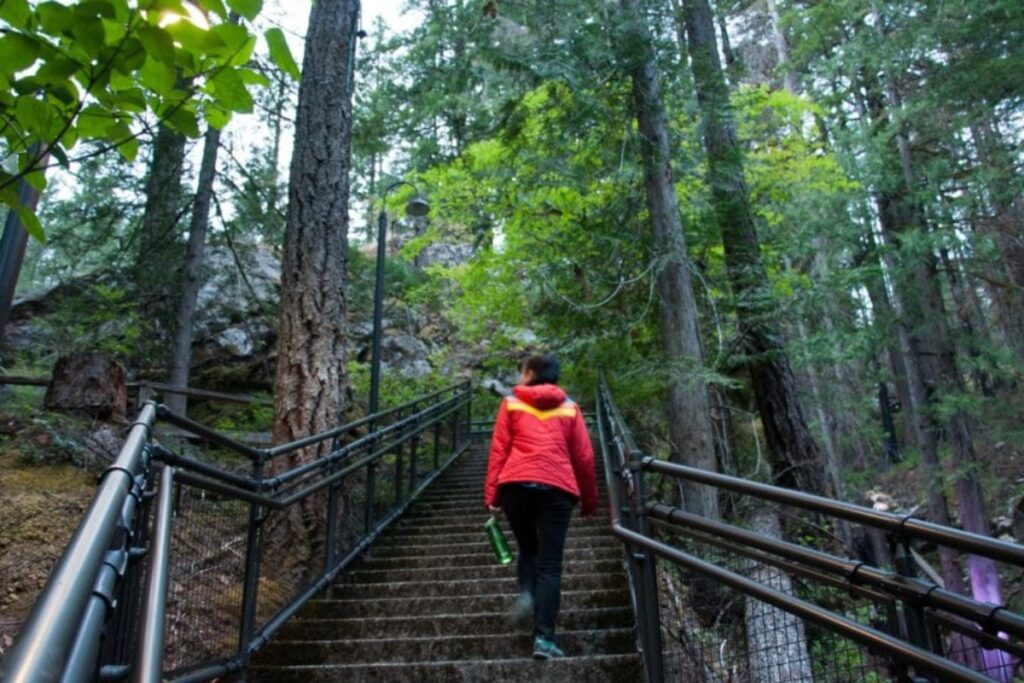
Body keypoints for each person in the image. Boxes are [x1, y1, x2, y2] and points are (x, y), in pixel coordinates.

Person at [483, 354, 598, 660]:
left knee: (527, 547)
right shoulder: (570, 408)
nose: (520, 377)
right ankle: (544, 639)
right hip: (557, 489)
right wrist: (590, 499)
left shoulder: (511, 403)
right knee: (550, 564)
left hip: (515, 486)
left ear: (532, 373)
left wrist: (492, 495)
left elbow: (499, 450)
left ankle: (527, 592)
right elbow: (584, 458)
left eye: (522, 372)